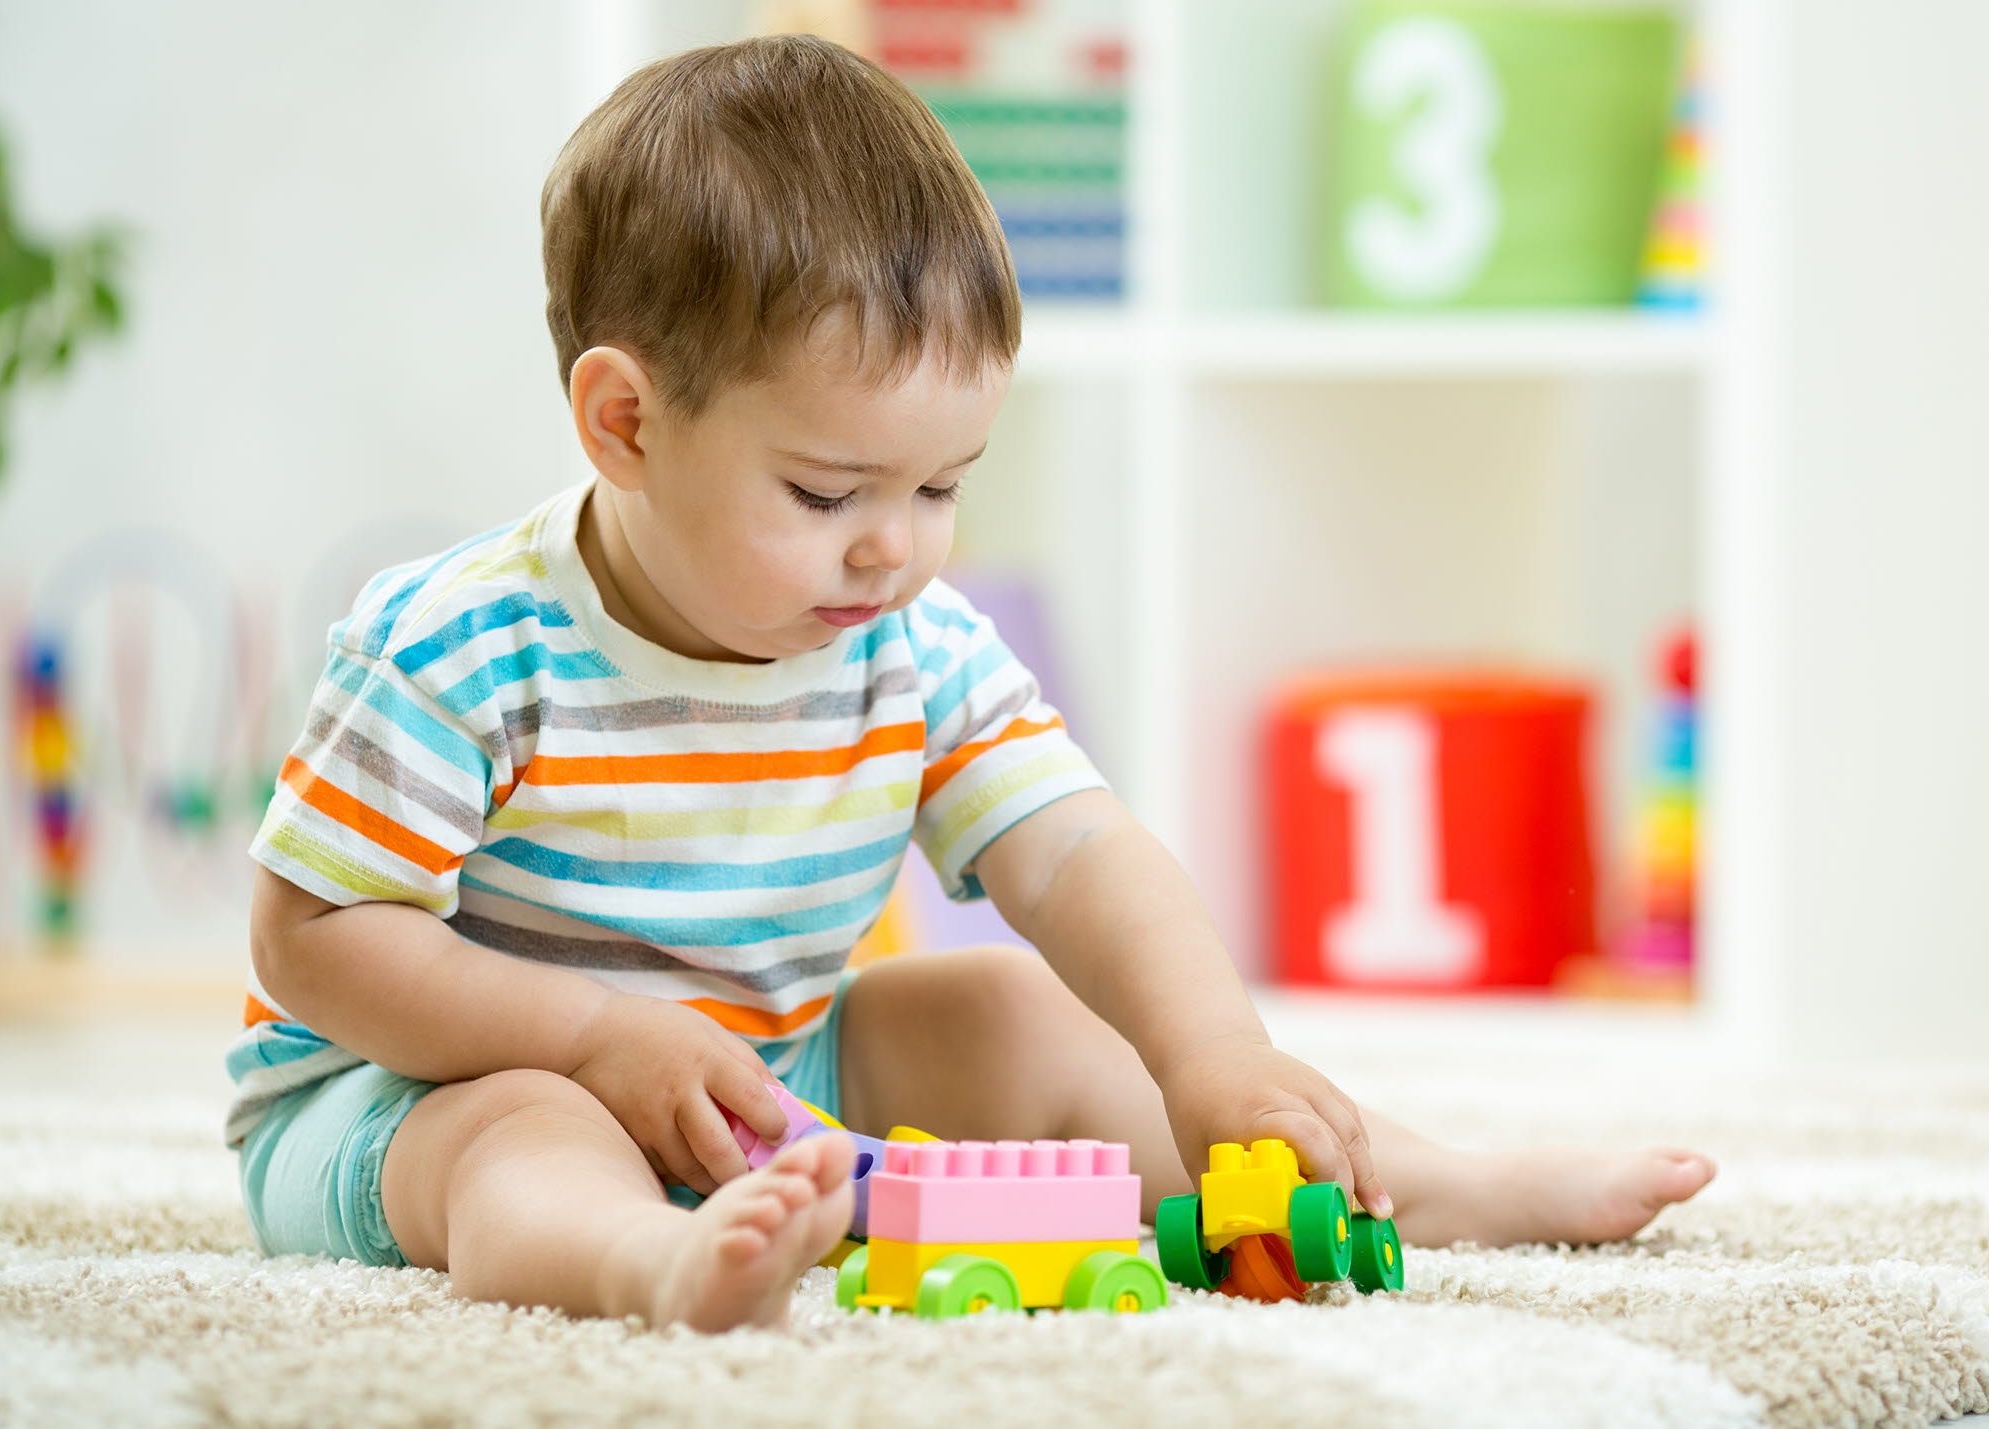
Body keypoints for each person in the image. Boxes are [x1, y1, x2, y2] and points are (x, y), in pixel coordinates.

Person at [228, 33, 1716, 1332]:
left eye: (944, 484)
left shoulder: (903, 643)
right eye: (825, 491)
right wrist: (589, 1035)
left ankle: (1404, 1179)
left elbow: (1074, 850)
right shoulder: (460, 642)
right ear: (624, 423)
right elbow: (312, 938)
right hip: (416, 1089)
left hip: (766, 1067)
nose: (894, 547)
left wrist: (1215, 1053)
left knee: (1012, 1004)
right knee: (530, 1127)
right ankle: (644, 1265)